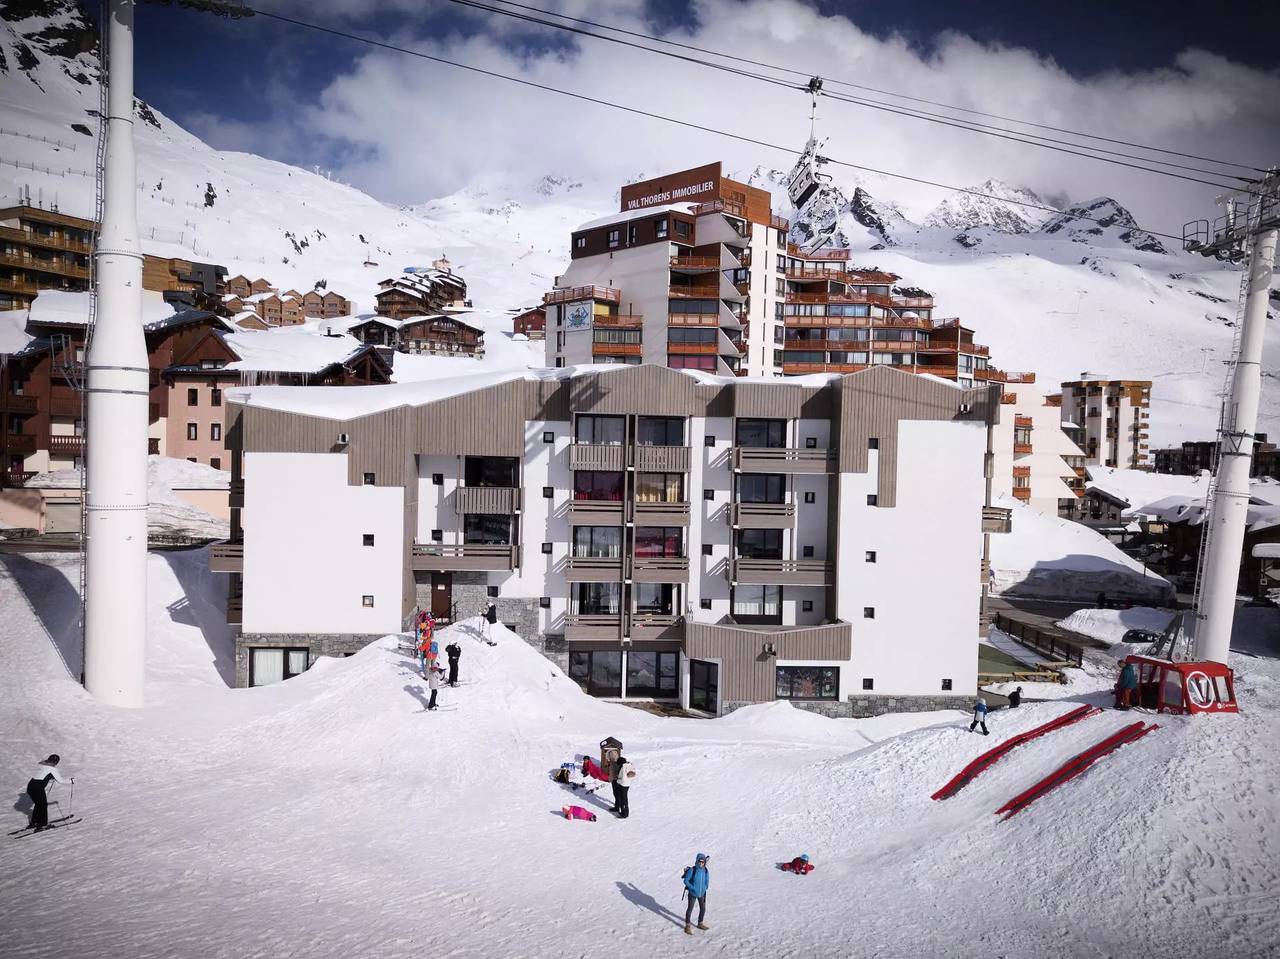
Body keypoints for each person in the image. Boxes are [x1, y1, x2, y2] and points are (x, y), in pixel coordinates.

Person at [26, 754, 71, 831]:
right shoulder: (53, 769)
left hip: (30, 786)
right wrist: (71, 781)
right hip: (37, 788)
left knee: (39, 804)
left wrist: (50, 776)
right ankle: (43, 824)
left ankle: (35, 822)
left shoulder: (42, 765)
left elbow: (43, 774)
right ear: (56, 762)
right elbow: (61, 781)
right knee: (43, 804)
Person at [682, 852, 710, 935]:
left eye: (703, 862)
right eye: (700, 862)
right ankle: (687, 926)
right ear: (697, 861)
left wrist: (705, 887)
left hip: (702, 893)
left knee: (703, 908)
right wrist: (692, 888)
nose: (701, 863)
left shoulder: (705, 870)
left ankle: (700, 923)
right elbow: (686, 881)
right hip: (693, 894)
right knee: (690, 909)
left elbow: (707, 880)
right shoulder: (692, 870)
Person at [612, 754, 636, 819]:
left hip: (623, 785)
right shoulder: (629, 765)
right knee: (622, 798)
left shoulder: (623, 768)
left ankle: (624, 814)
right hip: (627, 784)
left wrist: (617, 781)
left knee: (624, 800)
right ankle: (620, 809)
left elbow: (623, 779)